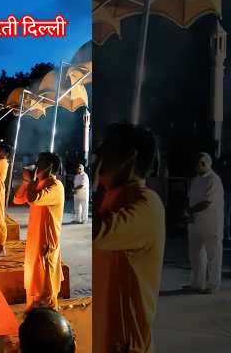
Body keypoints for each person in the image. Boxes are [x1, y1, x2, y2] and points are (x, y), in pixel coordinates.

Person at [92, 122, 165, 353]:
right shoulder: (114, 197)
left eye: (106, 150)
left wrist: (95, 188)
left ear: (129, 159)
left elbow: (97, 234)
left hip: (125, 343)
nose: (98, 155)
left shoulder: (146, 204)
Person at [14, 152, 65, 310]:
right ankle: (35, 318)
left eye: (39, 163)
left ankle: (51, 326)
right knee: (33, 284)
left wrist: (31, 181)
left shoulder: (55, 187)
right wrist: (25, 182)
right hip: (34, 243)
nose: (36, 165)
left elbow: (34, 198)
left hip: (45, 245)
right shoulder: (40, 183)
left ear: (49, 166)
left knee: (45, 288)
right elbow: (17, 199)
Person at [184, 152, 224, 294]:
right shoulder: (195, 180)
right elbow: (190, 199)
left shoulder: (214, 180)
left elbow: (207, 202)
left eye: (198, 163)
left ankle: (213, 284)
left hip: (211, 224)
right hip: (196, 223)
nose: (196, 166)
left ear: (204, 163)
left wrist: (190, 211)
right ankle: (197, 283)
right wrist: (188, 212)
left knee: (213, 255)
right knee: (195, 254)